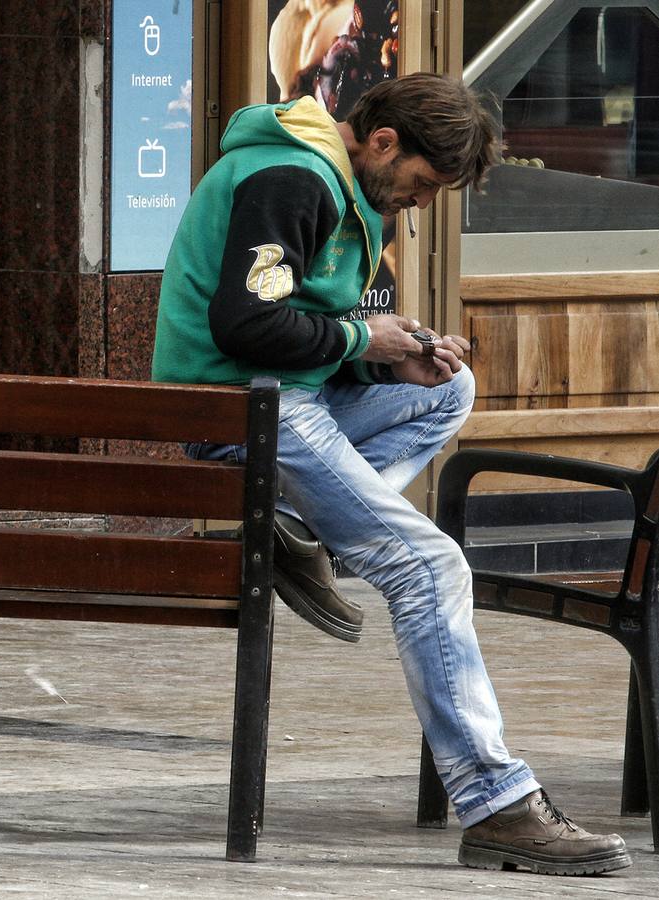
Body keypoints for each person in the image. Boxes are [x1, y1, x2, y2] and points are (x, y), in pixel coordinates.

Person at [150, 73, 630, 875]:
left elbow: (320, 325)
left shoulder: (346, 190)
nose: (420, 202)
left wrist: (390, 361)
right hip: (240, 414)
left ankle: (298, 525)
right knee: (427, 564)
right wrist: (361, 343)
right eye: (422, 183)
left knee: (447, 389)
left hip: (284, 402)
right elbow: (247, 322)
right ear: (381, 143)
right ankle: (496, 803)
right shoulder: (290, 177)